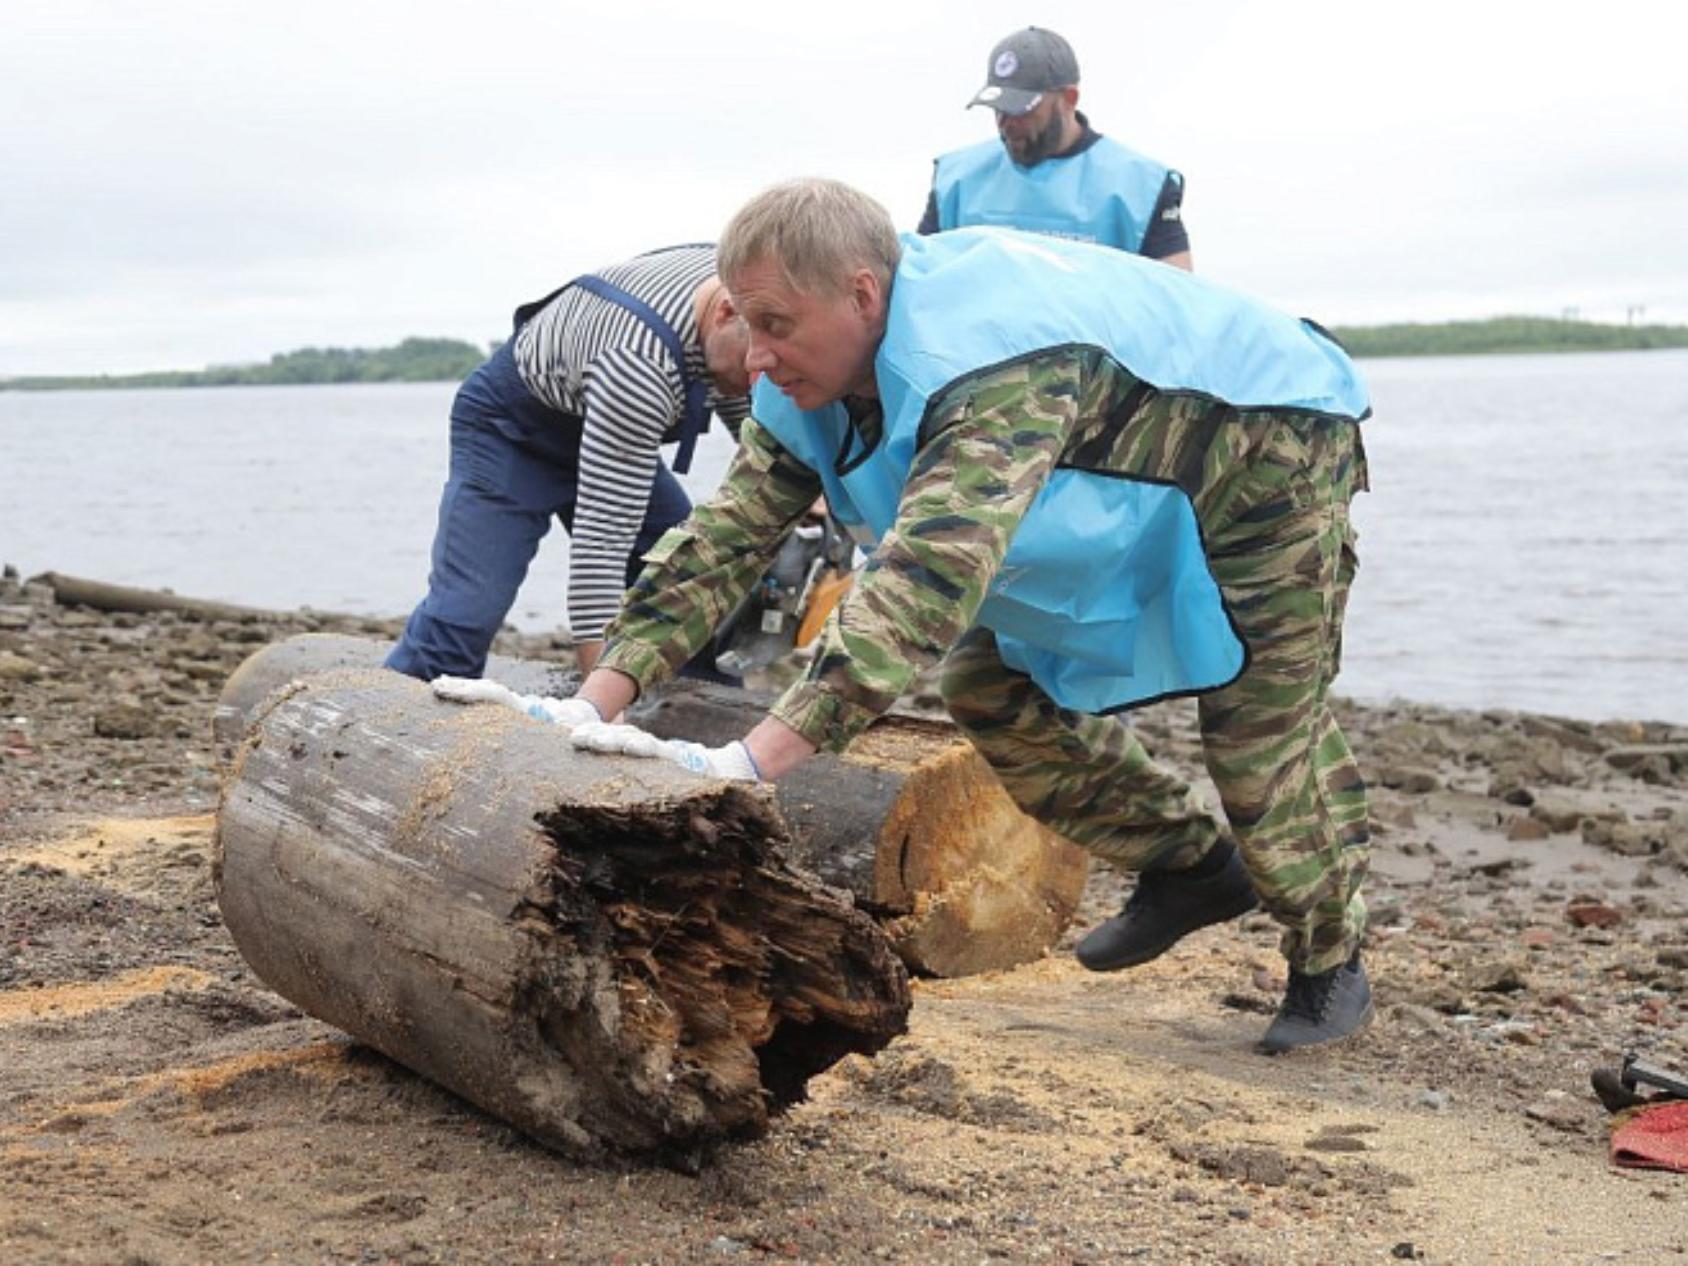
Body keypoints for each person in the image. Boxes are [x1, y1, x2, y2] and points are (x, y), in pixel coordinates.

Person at [441, 179, 1372, 1054]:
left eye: (776, 326)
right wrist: (597, 699)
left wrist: (748, 765)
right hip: (1132, 461)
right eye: (744, 322)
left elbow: (926, 578)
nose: (753, 356)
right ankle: (1191, 865)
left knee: (1257, 733)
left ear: (862, 296)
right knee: (986, 684)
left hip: (1275, 448)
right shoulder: (800, 375)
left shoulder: (990, 367)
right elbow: (726, 538)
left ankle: (1330, 959)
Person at [385, 244, 751, 681]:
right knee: (464, 617)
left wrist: (784, 472)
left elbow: (736, 383)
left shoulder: (752, 288)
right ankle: (388, 714)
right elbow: (602, 543)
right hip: (512, 432)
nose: (762, 371)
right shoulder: (638, 363)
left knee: (689, 586)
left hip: (609, 425)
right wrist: (596, 712)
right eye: (753, 363)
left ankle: (702, 710)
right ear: (725, 313)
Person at [918, 27, 1192, 270]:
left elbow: (1177, 301)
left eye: (1022, 109)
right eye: (999, 109)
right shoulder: (955, 181)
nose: (1007, 123)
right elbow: (919, 281)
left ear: (1069, 99)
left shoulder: (1143, 187)